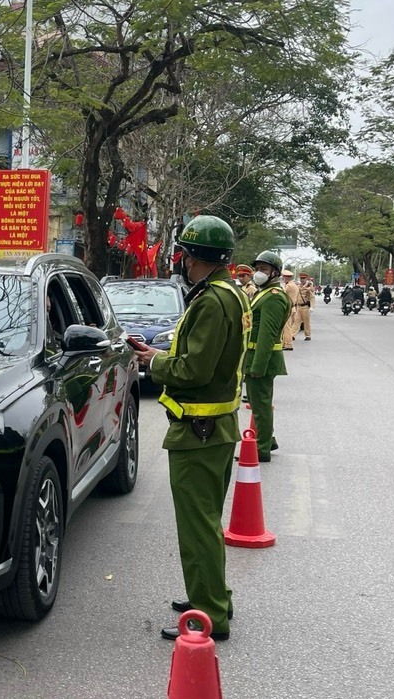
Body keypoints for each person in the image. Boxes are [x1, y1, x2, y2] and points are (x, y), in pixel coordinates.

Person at [131, 214, 250, 643]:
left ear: (193, 256)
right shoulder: (228, 294)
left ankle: (210, 615)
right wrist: (159, 352)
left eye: (182, 252)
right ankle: (212, 596)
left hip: (198, 429)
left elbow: (194, 370)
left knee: (197, 527)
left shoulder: (211, 301)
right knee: (206, 523)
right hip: (214, 427)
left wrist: (152, 362)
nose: (179, 260)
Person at [245, 251, 290, 461]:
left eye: (263, 269)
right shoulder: (265, 293)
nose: (258, 273)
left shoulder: (273, 298)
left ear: (274, 273)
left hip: (261, 359)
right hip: (254, 356)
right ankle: (267, 440)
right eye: (257, 269)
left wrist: (257, 366)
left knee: (261, 405)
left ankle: (261, 449)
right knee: (259, 403)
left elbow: (267, 336)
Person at [281, 269, 299, 350]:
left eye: (283, 277)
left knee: (286, 327)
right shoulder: (295, 285)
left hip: (288, 307)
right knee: (288, 326)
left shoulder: (288, 286)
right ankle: (285, 343)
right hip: (293, 307)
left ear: (285, 278)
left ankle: (288, 344)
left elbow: (282, 294)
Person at [295, 273, 315, 340]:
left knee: (306, 322)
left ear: (306, 279)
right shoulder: (298, 286)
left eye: (303, 278)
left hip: (305, 307)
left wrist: (312, 307)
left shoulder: (309, 287)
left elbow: (312, 297)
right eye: (301, 278)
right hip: (298, 306)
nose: (302, 280)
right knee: (296, 321)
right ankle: (292, 335)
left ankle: (308, 335)